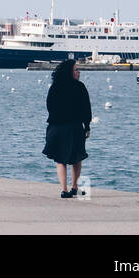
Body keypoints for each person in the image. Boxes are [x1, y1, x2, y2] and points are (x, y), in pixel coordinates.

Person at [43, 58, 91, 197]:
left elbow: (49, 106)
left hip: (56, 127)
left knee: (60, 159)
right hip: (74, 127)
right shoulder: (79, 87)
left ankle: (64, 189)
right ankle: (74, 187)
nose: (79, 72)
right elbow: (86, 108)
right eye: (76, 69)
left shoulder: (55, 87)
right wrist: (87, 126)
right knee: (76, 158)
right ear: (69, 72)